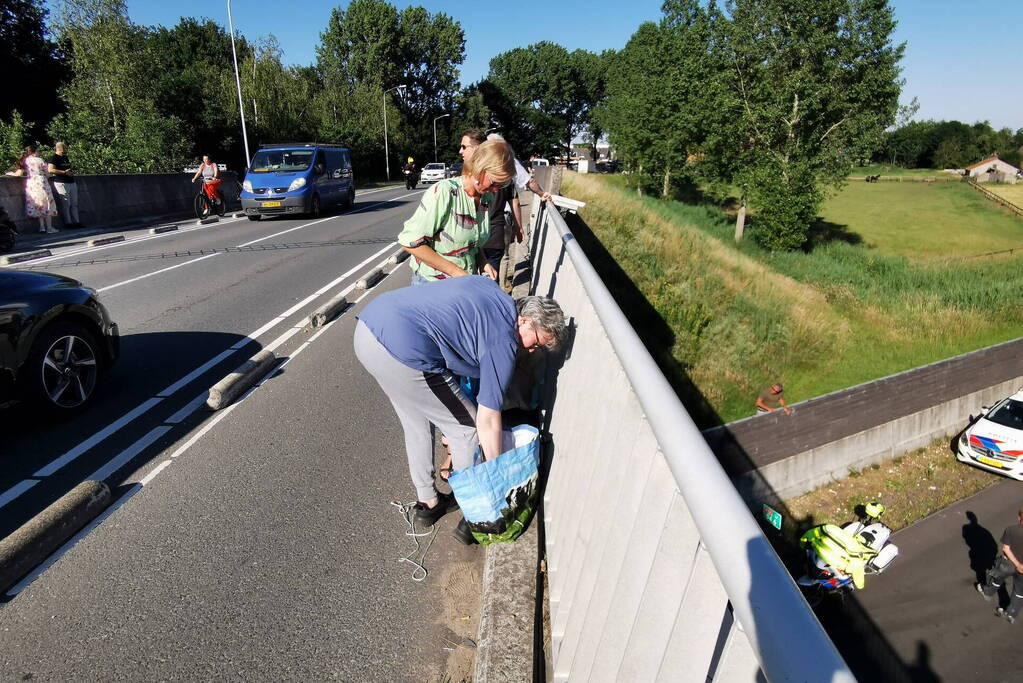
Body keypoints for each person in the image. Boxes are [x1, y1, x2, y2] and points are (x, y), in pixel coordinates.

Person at [353, 277, 565, 540]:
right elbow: (487, 419)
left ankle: (428, 503)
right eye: (535, 342)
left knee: (415, 421)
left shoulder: (490, 291)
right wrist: (494, 475)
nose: (532, 350)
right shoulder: (505, 339)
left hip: (368, 332)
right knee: (466, 428)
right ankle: (475, 516)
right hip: (406, 349)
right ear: (524, 320)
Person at [398, 138, 515, 285]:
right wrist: (456, 272)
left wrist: (483, 262)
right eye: (495, 182)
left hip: (463, 284)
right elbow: (409, 242)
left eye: (502, 184)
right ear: (480, 168)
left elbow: (472, 244)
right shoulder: (445, 192)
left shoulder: (486, 197)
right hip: (432, 285)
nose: (497, 189)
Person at [977, 508, 1023, 624]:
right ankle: (1011, 613)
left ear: (1019, 518)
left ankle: (987, 592)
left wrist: (1017, 564)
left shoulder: (1011, 530)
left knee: (998, 577)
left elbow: (1006, 548)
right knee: (1019, 592)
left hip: (1008, 563)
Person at [19, 145, 58, 234]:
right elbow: (47, 172)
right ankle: (49, 227)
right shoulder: (39, 160)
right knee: (47, 203)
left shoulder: (26, 160)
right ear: (34, 152)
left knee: (38, 204)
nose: (39, 152)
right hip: (41, 182)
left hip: (31, 183)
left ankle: (42, 227)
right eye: (38, 151)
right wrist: (48, 176)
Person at [48, 141, 81, 229]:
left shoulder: (65, 157)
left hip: (71, 181)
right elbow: (50, 169)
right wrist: (64, 172)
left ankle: (77, 222)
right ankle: (68, 223)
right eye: (65, 147)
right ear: (60, 148)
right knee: (66, 204)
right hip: (61, 182)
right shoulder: (54, 157)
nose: (66, 149)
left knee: (74, 203)